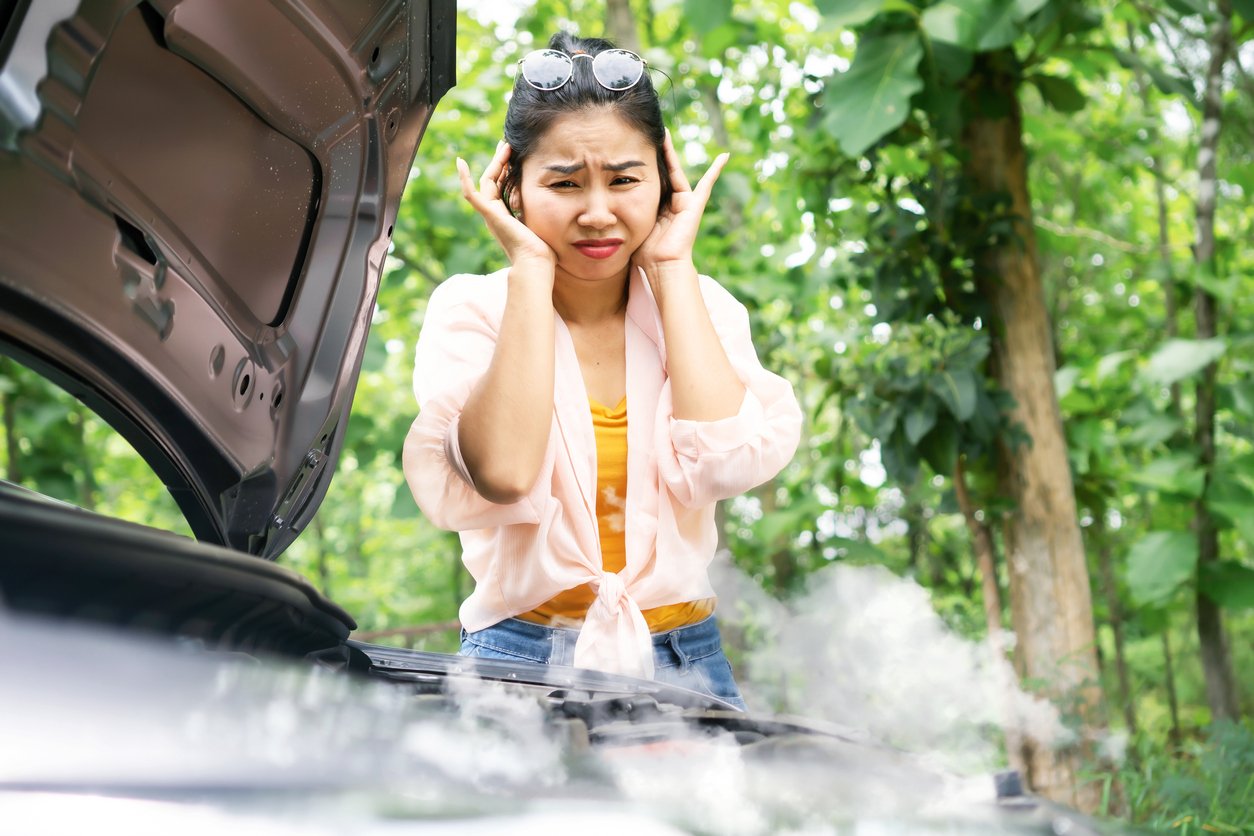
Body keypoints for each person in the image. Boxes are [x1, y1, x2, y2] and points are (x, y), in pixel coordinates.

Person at [402, 32, 801, 710]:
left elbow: (723, 464)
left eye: (623, 179)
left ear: (663, 179)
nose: (596, 212)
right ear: (513, 186)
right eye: (563, 183)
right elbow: (501, 472)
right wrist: (530, 271)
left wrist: (673, 267)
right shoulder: (470, 309)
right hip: (517, 660)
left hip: (685, 655)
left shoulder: (704, 309)